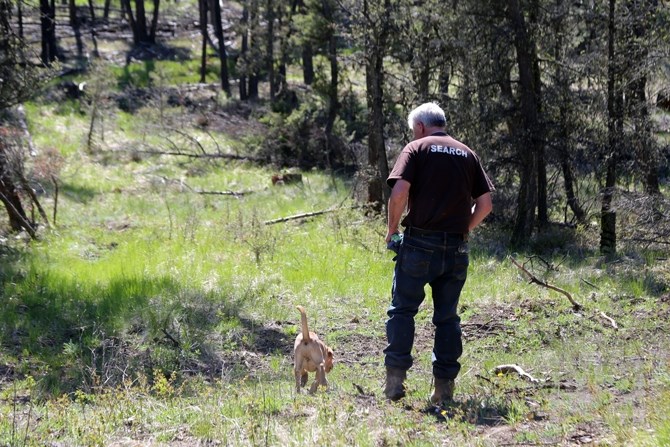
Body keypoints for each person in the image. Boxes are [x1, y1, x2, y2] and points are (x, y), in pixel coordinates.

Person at [383, 102, 494, 404]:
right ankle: (443, 391)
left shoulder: (416, 148)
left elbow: (399, 192)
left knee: (403, 310)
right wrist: (465, 229)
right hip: (456, 249)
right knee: (447, 318)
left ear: (419, 127)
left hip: (419, 245)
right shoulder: (467, 153)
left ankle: (395, 382)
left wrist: (392, 229)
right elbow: (485, 206)